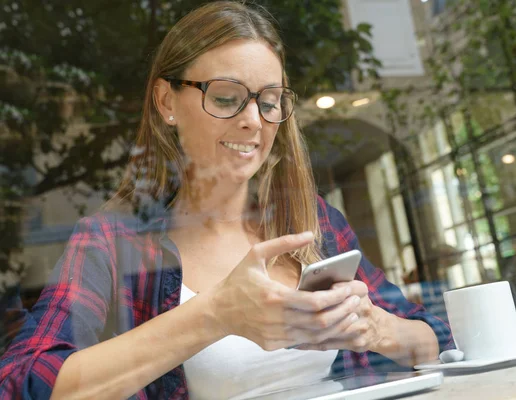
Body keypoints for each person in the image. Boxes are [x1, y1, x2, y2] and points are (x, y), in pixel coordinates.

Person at [0, 2, 452, 399]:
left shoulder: (311, 218)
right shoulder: (113, 241)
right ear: (166, 102)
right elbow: (24, 385)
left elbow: (434, 338)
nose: (254, 122)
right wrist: (214, 315)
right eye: (226, 97)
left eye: (269, 101)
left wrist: (377, 329)